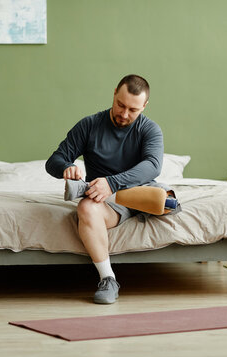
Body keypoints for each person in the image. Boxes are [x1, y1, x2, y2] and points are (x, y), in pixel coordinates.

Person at [45, 74, 164, 304]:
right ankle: (108, 279)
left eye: (133, 109)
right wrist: (67, 167)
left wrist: (111, 183)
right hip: (106, 203)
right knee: (86, 207)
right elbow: (54, 160)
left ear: (144, 106)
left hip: (140, 196)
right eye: (121, 105)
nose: (125, 114)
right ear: (114, 94)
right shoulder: (89, 125)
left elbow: (153, 166)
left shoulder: (150, 130)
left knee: (162, 197)